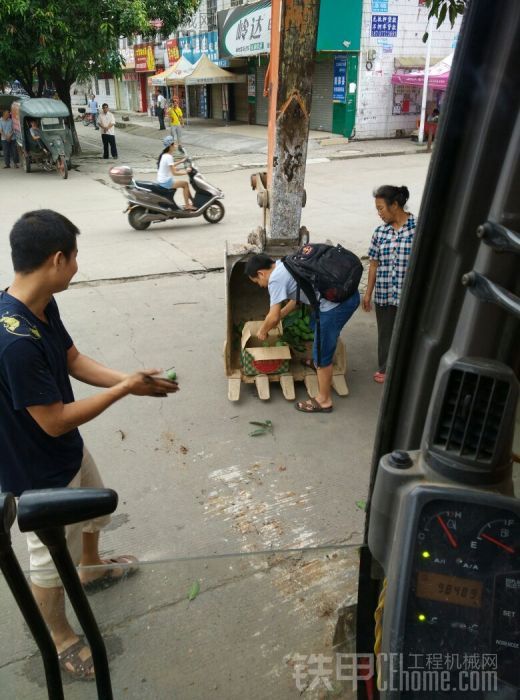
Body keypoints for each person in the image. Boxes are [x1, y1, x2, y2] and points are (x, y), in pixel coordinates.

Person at [0, 209, 179, 680]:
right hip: (35, 470)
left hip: (66, 451)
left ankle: (92, 567)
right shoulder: (14, 342)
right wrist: (123, 391)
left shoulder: (39, 305)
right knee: (46, 562)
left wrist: (130, 378)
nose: (78, 266)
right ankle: (60, 639)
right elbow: (54, 422)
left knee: (94, 508)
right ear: (58, 259)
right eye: (75, 257)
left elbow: (73, 359)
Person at [245, 254, 359, 413]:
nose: (260, 285)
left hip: (336, 306)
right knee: (315, 324)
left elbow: (273, 315)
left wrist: (263, 330)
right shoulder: (286, 263)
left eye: (257, 282)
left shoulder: (275, 279)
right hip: (348, 296)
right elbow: (297, 297)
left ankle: (324, 400)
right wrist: (280, 317)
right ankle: (318, 362)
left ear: (260, 273)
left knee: (321, 349)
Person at [362, 185, 416, 384]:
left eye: (381, 208)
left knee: (408, 331)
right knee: (385, 331)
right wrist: (368, 294)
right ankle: (385, 368)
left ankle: (405, 368)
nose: (379, 214)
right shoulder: (380, 233)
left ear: (395, 205)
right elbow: (374, 264)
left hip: (407, 293)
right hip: (385, 292)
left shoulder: (417, 229)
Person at [156, 135, 196, 210]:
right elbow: (174, 173)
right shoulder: (168, 157)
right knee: (185, 184)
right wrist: (186, 172)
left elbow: (171, 165)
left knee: (184, 184)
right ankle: (187, 205)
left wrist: (181, 161)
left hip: (162, 180)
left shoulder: (165, 155)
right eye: (174, 144)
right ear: (170, 146)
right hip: (165, 182)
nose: (175, 145)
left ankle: (192, 201)